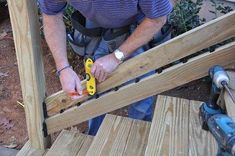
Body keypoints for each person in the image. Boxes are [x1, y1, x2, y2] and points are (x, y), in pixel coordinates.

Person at [38, 0, 173, 135]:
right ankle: (94, 138)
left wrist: (116, 57)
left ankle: (140, 136)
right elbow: (52, 16)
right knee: (96, 84)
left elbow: (157, 18)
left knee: (141, 84)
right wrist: (63, 69)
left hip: (140, 21)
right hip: (97, 19)